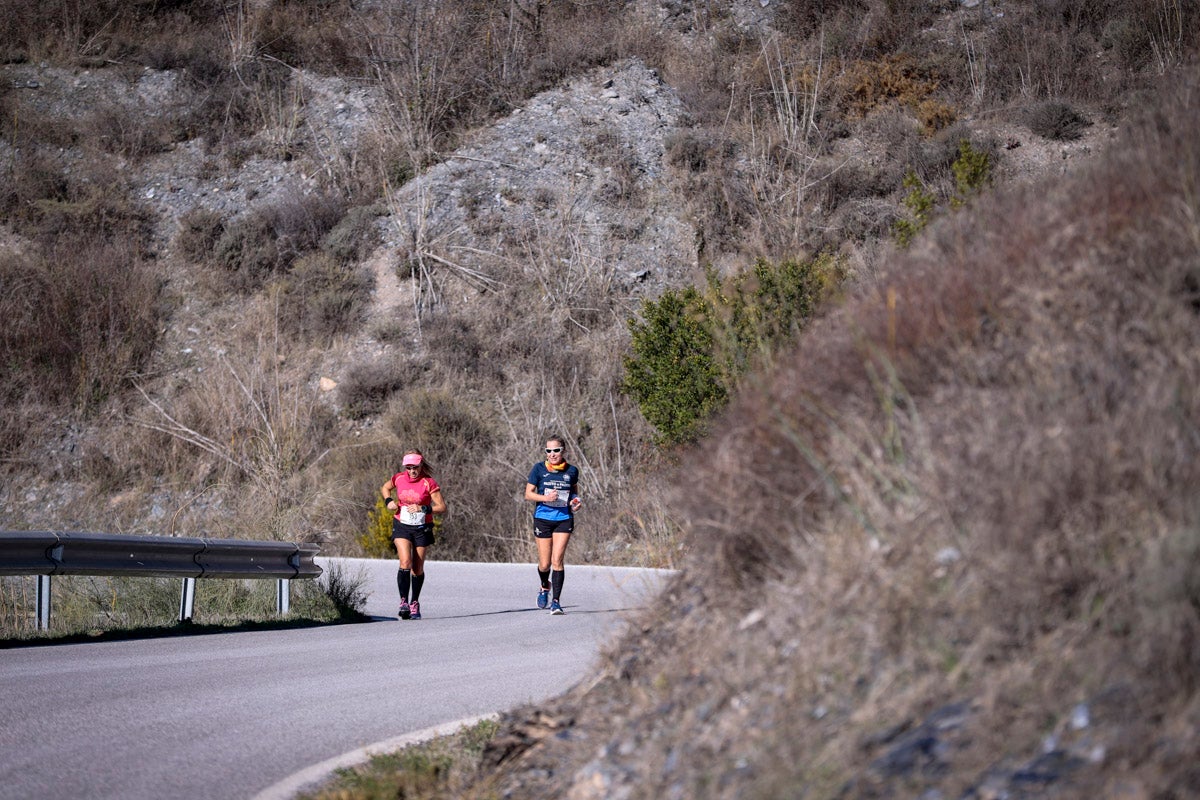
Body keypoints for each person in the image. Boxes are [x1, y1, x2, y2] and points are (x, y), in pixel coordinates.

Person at [380, 449, 446, 620]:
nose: (411, 471)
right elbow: (385, 487)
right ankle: (403, 601)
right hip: (402, 524)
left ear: (421, 465)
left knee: (417, 568)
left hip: (422, 527)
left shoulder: (428, 482)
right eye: (408, 467)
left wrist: (423, 508)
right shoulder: (399, 478)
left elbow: (441, 507)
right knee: (405, 562)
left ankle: (414, 602)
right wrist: (389, 501)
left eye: (415, 467)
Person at [524, 434, 582, 615]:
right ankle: (544, 586)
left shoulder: (571, 471)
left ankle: (556, 602)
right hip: (543, 518)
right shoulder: (539, 469)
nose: (552, 454)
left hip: (563, 519)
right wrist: (545, 498)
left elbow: (574, 494)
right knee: (544, 564)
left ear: (563, 451)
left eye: (555, 450)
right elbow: (528, 494)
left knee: (557, 560)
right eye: (548, 451)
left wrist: (576, 502)